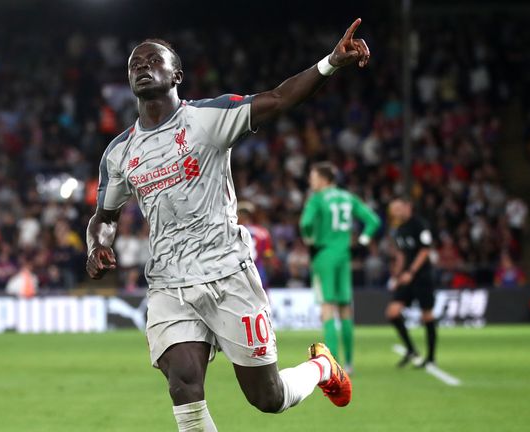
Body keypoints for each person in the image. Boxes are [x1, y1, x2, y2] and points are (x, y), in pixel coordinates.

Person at [86, 18, 370, 431]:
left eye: (153, 60)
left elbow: (279, 99)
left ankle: (321, 368)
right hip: (169, 283)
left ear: (176, 75)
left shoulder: (208, 119)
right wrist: (97, 245)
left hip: (227, 273)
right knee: (183, 383)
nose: (142, 67)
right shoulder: (119, 153)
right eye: (135, 64)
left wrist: (330, 63)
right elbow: (104, 217)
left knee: (267, 397)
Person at [299, 162, 381, 372]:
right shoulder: (347, 197)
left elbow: (305, 224)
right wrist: (362, 242)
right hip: (344, 255)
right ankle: (350, 362)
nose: (310, 181)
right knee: (345, 308)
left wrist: (310, 239)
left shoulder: (316, 199)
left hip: (324, 255)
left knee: (327, 308)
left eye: (313, 177)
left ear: (324, 179)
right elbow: (373, 221)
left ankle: (332, 364)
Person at [385, 198, 437, 368]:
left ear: (408, 207)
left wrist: (411, 272)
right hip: (406, 277)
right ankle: (411, 349)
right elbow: (401, 255)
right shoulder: (399, 229)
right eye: (393, 210)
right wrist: (396, 276)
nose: (395, 212)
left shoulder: (420, 225)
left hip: (422, 276)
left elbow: (425, 250)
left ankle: (431, 357)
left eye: (398, 208)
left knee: (427, 315)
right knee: (393, 312)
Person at [237, 202, 274, 289]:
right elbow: (268, 254)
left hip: (239, 270)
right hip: (257, 269)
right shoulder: (262, 232)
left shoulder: (233, 231)